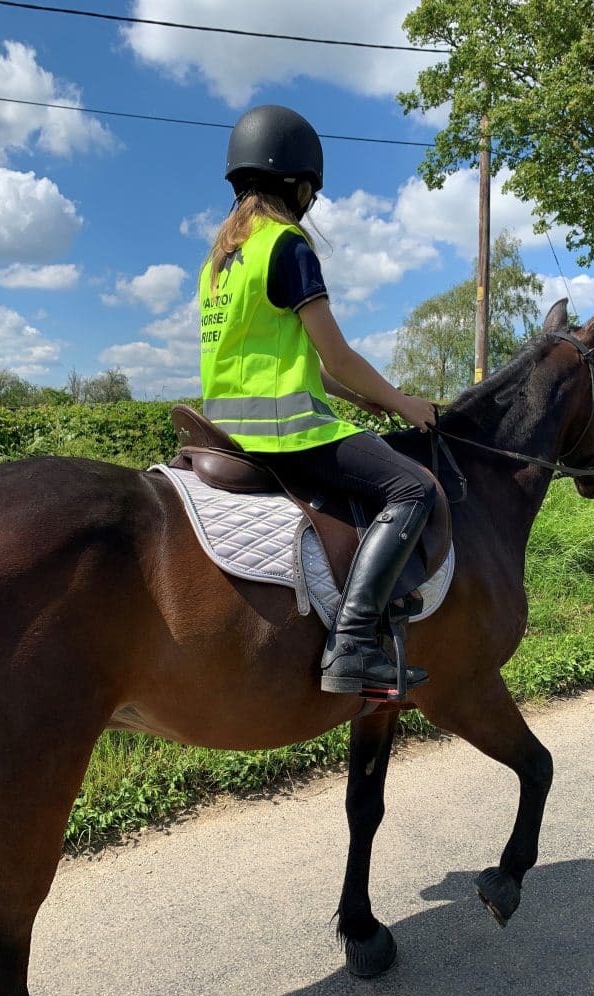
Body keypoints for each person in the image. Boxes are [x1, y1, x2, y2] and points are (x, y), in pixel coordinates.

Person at [200, 104, 437, 701]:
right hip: (288, 435)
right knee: (413, 489)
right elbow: (336, 356)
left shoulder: (222, 263)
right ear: (298, 184)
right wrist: (403, 401)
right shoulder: (287, 246)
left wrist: (367, 398)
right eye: (310, 191)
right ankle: (353, 643)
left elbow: (299, 362)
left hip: (226, 430)